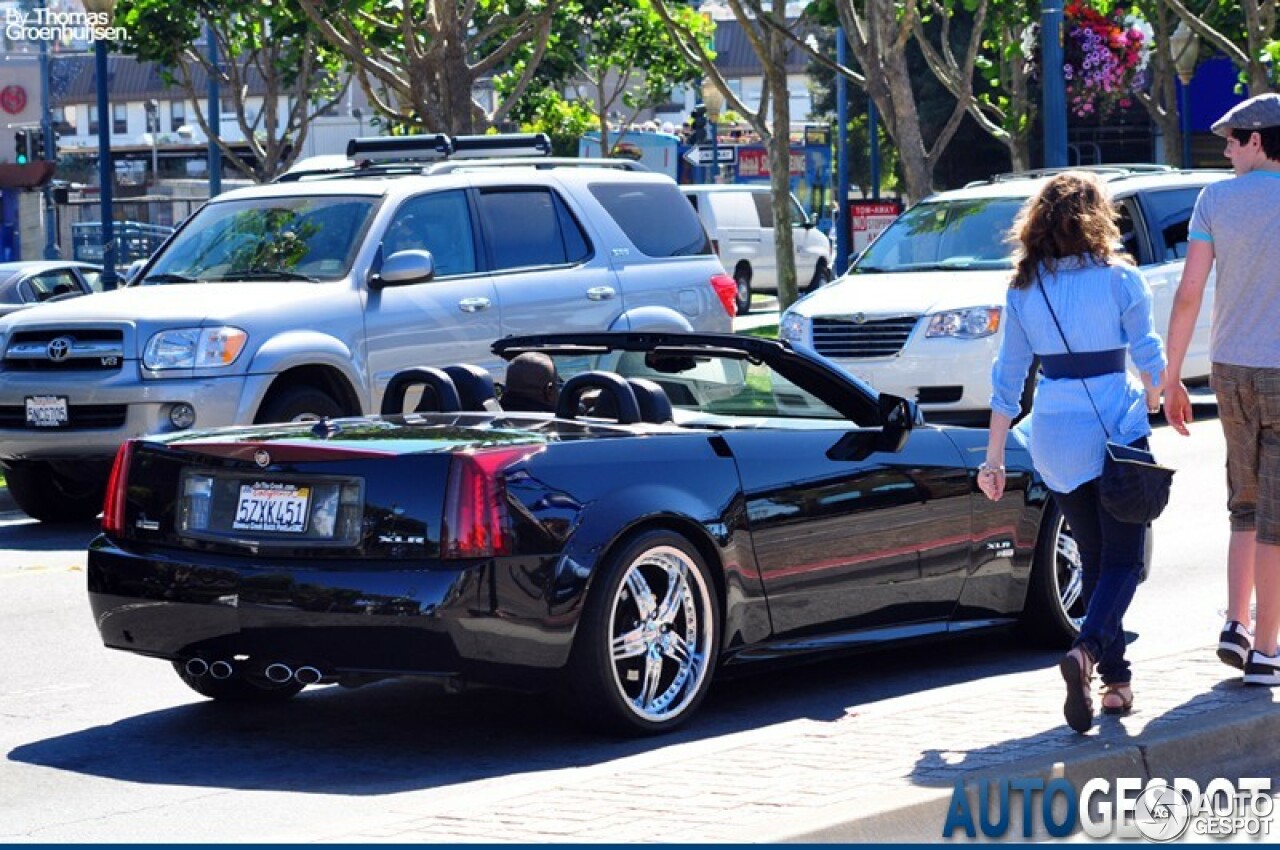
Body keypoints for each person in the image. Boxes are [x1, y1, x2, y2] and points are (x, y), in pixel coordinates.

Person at [977, 171, 1166, 733]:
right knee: (1125, 560)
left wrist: (992, 460)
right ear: (1096, 218)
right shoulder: (1119, 279)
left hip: (1054, 437)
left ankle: (1116, 685)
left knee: (1095, 559)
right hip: (1115, 429)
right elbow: (1148, 353)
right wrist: (1157, 394)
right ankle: (1084, 654)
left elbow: (1006, 381)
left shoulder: (1023, 287)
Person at [1162, 92, 1280, 687]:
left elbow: (1189, 294)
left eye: (1232, 140)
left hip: (1229, 370)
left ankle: (1234, 623)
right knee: (1277, 519)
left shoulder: (1214, 202)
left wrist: (1171, 374)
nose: (1227, 151)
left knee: (1244, 505)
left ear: (1258, 141)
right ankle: (1266, 650)